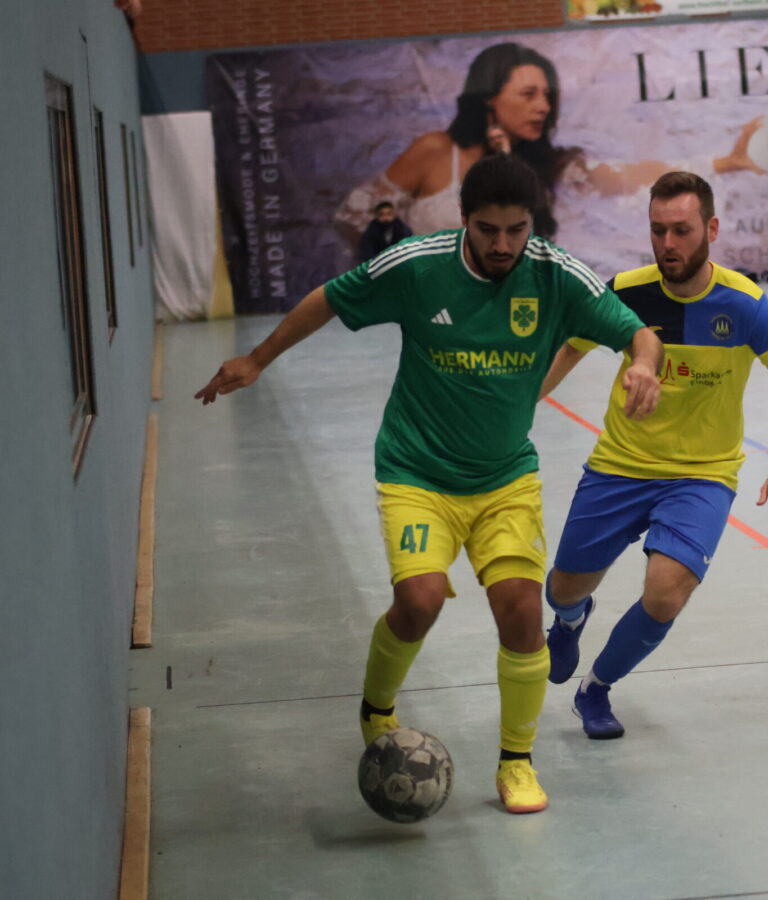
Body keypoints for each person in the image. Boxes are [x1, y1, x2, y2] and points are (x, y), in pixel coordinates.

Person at [194, 154, 664, 814]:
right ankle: (376, 707)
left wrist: (644, 365)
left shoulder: (556, 274)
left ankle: (516, 762)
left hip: (504, 478)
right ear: (463, 218)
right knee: (418, 601)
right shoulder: (418, 265)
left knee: (522, 611)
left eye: (516, 230)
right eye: (488, 229)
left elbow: (637, 333)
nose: (503, 244)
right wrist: (257, 358)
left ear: (532, 224)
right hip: (416, 472)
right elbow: (329, 298)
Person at [538, 171, 768, 740]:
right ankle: (569, 618)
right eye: (658, 230)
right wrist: (516, 407)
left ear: (711, 229)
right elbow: (568, 348)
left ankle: (597, 689)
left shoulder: (745, 305)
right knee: (563, 587)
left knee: (666, 593)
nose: (668, 244)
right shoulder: (626, 292)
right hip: (620, 464)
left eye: (682, 231)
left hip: (702, 476)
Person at [335, 41, 768, 245]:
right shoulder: (435, 152)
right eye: (528, 94)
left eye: (547, 95)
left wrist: (724, 162)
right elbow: (352, 218)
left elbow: (628, 177)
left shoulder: (549, 164)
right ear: (489, 98)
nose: (543, 106)